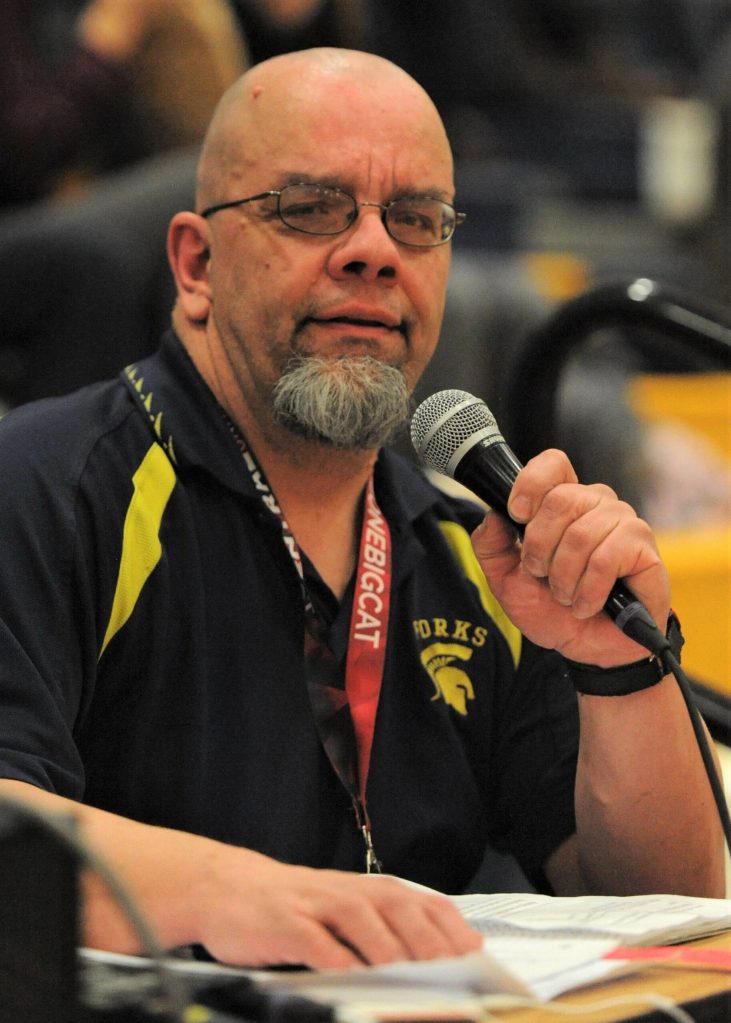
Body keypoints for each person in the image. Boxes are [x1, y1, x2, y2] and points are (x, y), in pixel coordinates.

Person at [0, 48, 724, 971]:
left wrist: (621, 672)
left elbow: (669, 906)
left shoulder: (479, 554)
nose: (375, 251)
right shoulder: (44, 488)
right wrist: (245, 894)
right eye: (310, 207)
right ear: (196, 263)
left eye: (415, 219)